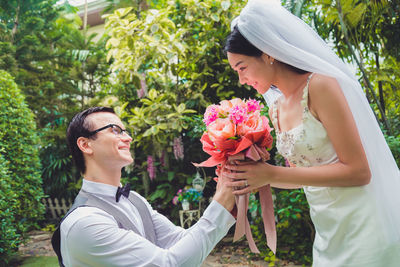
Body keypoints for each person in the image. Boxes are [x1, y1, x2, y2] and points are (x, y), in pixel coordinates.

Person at [221, 0, 400, 266]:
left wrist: (272, 173)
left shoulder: (320, 86)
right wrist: (256, 175)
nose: (241, 80)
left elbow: (359, 171)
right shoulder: (276, 108)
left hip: (367, 224)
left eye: (242, 68)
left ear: (267, 53)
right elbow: (303, 176)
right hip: (329, 231)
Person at [51, 107, 236, 267]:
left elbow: (179, 242)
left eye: (125, 131)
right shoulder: (85, 222)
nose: (128, 138)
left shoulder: (134, 199)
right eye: (115, 130)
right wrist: (220, 204)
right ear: (85, 145)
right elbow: (169, 264)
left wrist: (230, 192)